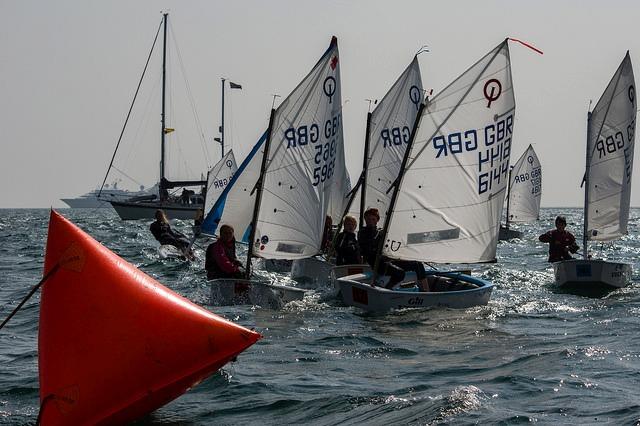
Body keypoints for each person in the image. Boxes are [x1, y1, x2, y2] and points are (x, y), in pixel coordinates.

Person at [357, 208, 429, 291]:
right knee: (400, 273)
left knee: (418, 265)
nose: (370, 221)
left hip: (388, 260)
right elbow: (368, 249)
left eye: (373, 219)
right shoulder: (363, 232)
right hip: (377, 263)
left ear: (377, 220)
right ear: (365, 219)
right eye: (368, 219)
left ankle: (426, 291)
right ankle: (386, 290)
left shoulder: (381, 232)